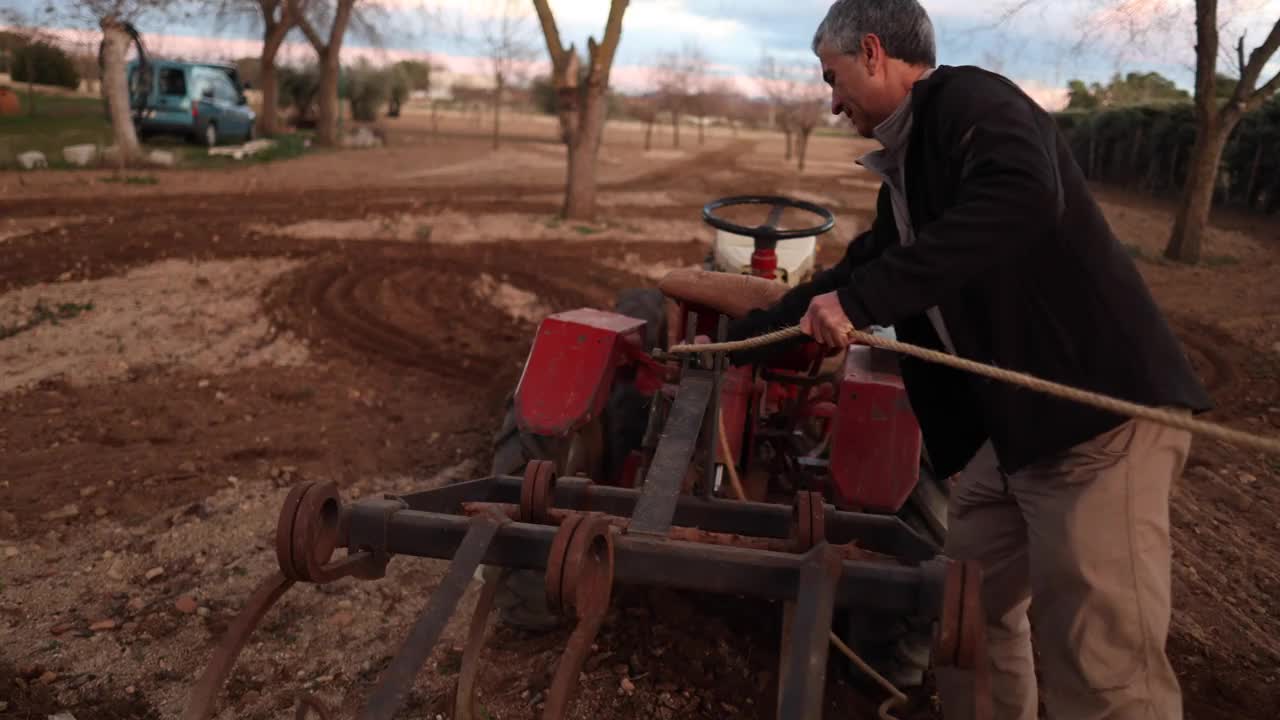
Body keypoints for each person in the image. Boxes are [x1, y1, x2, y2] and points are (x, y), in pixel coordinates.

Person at [724, 1, 1214, 718]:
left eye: (833, 79)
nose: (832, 104)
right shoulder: (913, 172)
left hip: (1097, 425)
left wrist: (864, 303)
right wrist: (752, 339)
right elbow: (860, 271)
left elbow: (1022, 197)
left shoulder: (972, 102)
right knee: (964, 617)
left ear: (872, 52)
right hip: (1016, 441)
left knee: (1100, 664)